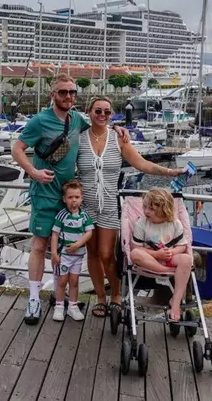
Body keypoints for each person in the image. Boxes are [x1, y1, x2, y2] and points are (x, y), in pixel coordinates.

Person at [12, 74, 128, 325]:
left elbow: (99, 126)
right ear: (52, 95)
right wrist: (32, 171)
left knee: (66, 246)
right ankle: (33, 299)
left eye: (72, 92)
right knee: (40, 246)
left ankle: (60, 295)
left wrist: (118, 128)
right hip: (45, 193)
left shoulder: (76, 119)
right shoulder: (39, 121)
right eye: (63, 92)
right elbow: (17, 148)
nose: (68, 96)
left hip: (69, 196)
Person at [77, 96, 185, 318]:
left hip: (109, 205)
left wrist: (169, 172)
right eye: (98, 111)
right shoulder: (79, 139)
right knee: (92, 254)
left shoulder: (118, 139)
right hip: (85, 206)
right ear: (89, 112)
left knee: (107, 254)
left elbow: (141, 163)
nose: (102, 115)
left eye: (107, 112)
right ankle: (100, 298)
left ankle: (116, 295)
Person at [128, 188, 193, 321]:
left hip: (170, 257)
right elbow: (136, 247)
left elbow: (182, 245)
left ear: (164, 210)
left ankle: (176, 301)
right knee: (135, 253)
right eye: (145, 207)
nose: (146, 211)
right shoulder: (141, 223)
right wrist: (157, 254)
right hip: (150, 258)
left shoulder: (175, 223)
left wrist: (172, 252)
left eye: (151, 209)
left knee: (187, 259)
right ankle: (166, 270)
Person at [50, 180, 94, 322]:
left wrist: (78, 244)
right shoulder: (62, 215)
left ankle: (72, 306)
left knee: (74, 281)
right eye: (70, 197)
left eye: (76, 197)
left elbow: (89, 232)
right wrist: (54, 253)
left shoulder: (84, 216)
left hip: (78, 255)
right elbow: (55, 234)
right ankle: (59, 306)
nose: (73, 200)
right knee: (62, 281)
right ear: (64, 199)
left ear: (81, 198)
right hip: (64, 255)